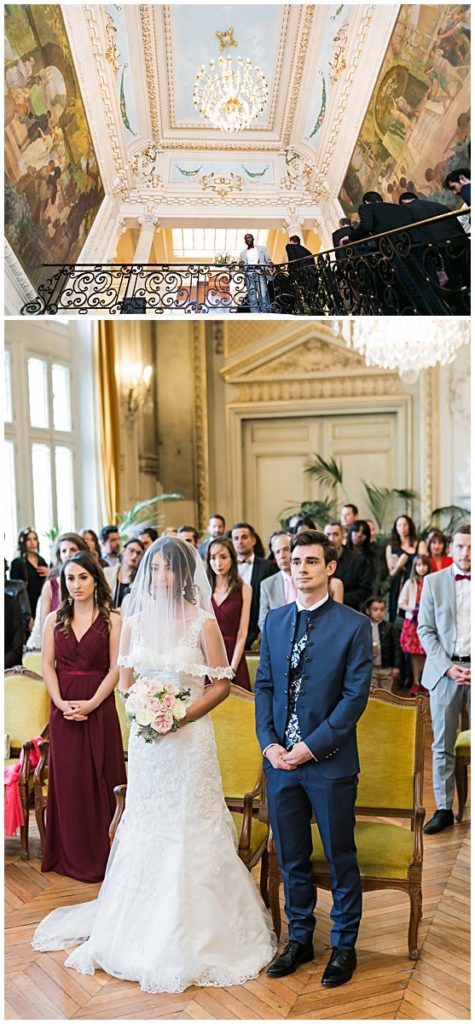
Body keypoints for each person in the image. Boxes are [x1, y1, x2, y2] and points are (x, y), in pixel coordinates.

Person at [32, 538, 276, 990]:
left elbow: (219, 686)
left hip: (189, 739)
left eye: (167, 569)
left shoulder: (203, 623)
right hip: (148, 744)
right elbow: (125, 682)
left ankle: (203, 934)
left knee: (190, 828)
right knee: (147, 826)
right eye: (155, 569)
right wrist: (147, 709)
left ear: (184, 575)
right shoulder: (135, 622)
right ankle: (135, 927)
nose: (159, 577)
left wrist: (180, 713)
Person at [255, 530, 372, 985]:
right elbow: (264, 685)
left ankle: (344, 946)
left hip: (330, 762)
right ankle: (300, 939)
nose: (301, 568)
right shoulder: (275, 621)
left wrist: (310, 748)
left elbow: (352, 701)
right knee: (292, 858)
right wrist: (270, 746)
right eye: (295, 561)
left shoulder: (354, 625)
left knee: (340, 854)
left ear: (329, 568)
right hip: (280, 763)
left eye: (311, 561)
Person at [39, 551, 126, 881]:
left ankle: (106, 855)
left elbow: (116, 667)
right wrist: (60, 703)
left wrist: (90, 704)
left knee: (102, 777)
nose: (76, 585)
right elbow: (48, 665)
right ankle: (69, 853)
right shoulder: (53, 620)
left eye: (83, 577)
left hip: (99, 704)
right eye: (70, 578)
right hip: (63, 709)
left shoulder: (113, 619)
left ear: (95, 579)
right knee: (70, 781)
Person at [418, 525, 471, 835]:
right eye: (461, 546)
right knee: (442, 744)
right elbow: (426, 629)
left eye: (471, 546)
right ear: (452, 548)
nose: (466, 553)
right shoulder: (433, 582)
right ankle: (443, 809)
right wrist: (448, 667)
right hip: (444, 671)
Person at [27, 533, 89, 650]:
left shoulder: (92, 581)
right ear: (59, 555)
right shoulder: (51, 586)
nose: (68, 555)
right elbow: (45, 629)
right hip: (54, 648)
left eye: (73, 550)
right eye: (63, 551)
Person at [206, 537, 252, 691]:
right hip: (207, 657)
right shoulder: (202, 591)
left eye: (223, 557)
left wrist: (232, 667)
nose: (218, 563)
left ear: (232, 558)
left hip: (234, 655)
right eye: (213, 557)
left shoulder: (245, 589)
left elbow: (242, 633)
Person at [231, 522, 278, 648]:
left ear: (253, 540)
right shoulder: (227, 567)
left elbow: (272, 601)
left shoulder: (267, 566)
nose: (240, 541)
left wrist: (263, 630)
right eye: (236, 538)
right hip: (232, 630)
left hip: (256, 630)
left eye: (244, 537)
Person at [398, 555, 432, 696]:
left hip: (428, 621)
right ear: (414, 567)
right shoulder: (409, 583)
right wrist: (411, 609)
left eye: (424, 565)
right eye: (418, 565)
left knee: (425, 651)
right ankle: (416, 682)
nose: (421, 568)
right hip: (412, 622)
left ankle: (425, 681)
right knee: (414, 653)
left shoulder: (432, 582)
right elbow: (401, 602)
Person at [324, 523, 372, 610]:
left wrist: (339, 596)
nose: (331, 539)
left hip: (350, 609)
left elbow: (365, 590)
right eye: (328, 535)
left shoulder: (358, 560)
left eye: (335, 534)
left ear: (343, 536)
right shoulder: (319, 560)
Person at [10, 526, 49, 629]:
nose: (32, 543)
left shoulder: (41, 560)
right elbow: (16, 592)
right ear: (22, 542)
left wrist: (50, 573)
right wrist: (27, 616)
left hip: (42, 604)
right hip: (27, 608)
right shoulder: (17, 563)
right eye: (28, 539)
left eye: (35, 539)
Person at [361, 595, 402, 692]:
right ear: (368, 611)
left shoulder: (389, 627)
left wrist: (396, 666)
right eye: (375, 610)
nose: (379, 612)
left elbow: (397, 647)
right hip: (370, 669)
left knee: (386, 694)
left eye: (382, 610)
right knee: (371, 695)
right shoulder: (363, 627)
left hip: (386, 669)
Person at [385, 515, 419, 622]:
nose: (402, 528)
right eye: (399, 525)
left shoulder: (418, 544)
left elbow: (424, 564)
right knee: (396, 619)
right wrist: (400, 564)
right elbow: (391, 573)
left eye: (405, 525)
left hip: (415, 585)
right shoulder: (391, 547)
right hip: (397, 586)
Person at [346, 520, 385, 594]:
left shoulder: (372, 556)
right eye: (356, 531)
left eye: (363, 533)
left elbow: (375, 580)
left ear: (367, 536)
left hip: (366, 596)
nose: (359, 535)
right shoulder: (343, 553)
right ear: (351, 532)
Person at [104, 538, 145, 609]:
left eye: (138, 553)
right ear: (123, 551)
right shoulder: (107, 572)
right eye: (131, 551)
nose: (135, 555)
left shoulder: (141, 579)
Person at [239, 233, 273, 313]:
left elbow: (268, 259)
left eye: (249, 237)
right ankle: (254, 313)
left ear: (253, 238)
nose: (248, 239)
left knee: (263, 293)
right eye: (246, 238)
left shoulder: (262, 248)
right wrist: (241, 264)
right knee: (252, 294)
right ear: (245, 241)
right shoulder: (242, 253)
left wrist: (270, 263)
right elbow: (242, 265)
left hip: (260, 272)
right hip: (248, 273)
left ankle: (264, 312)